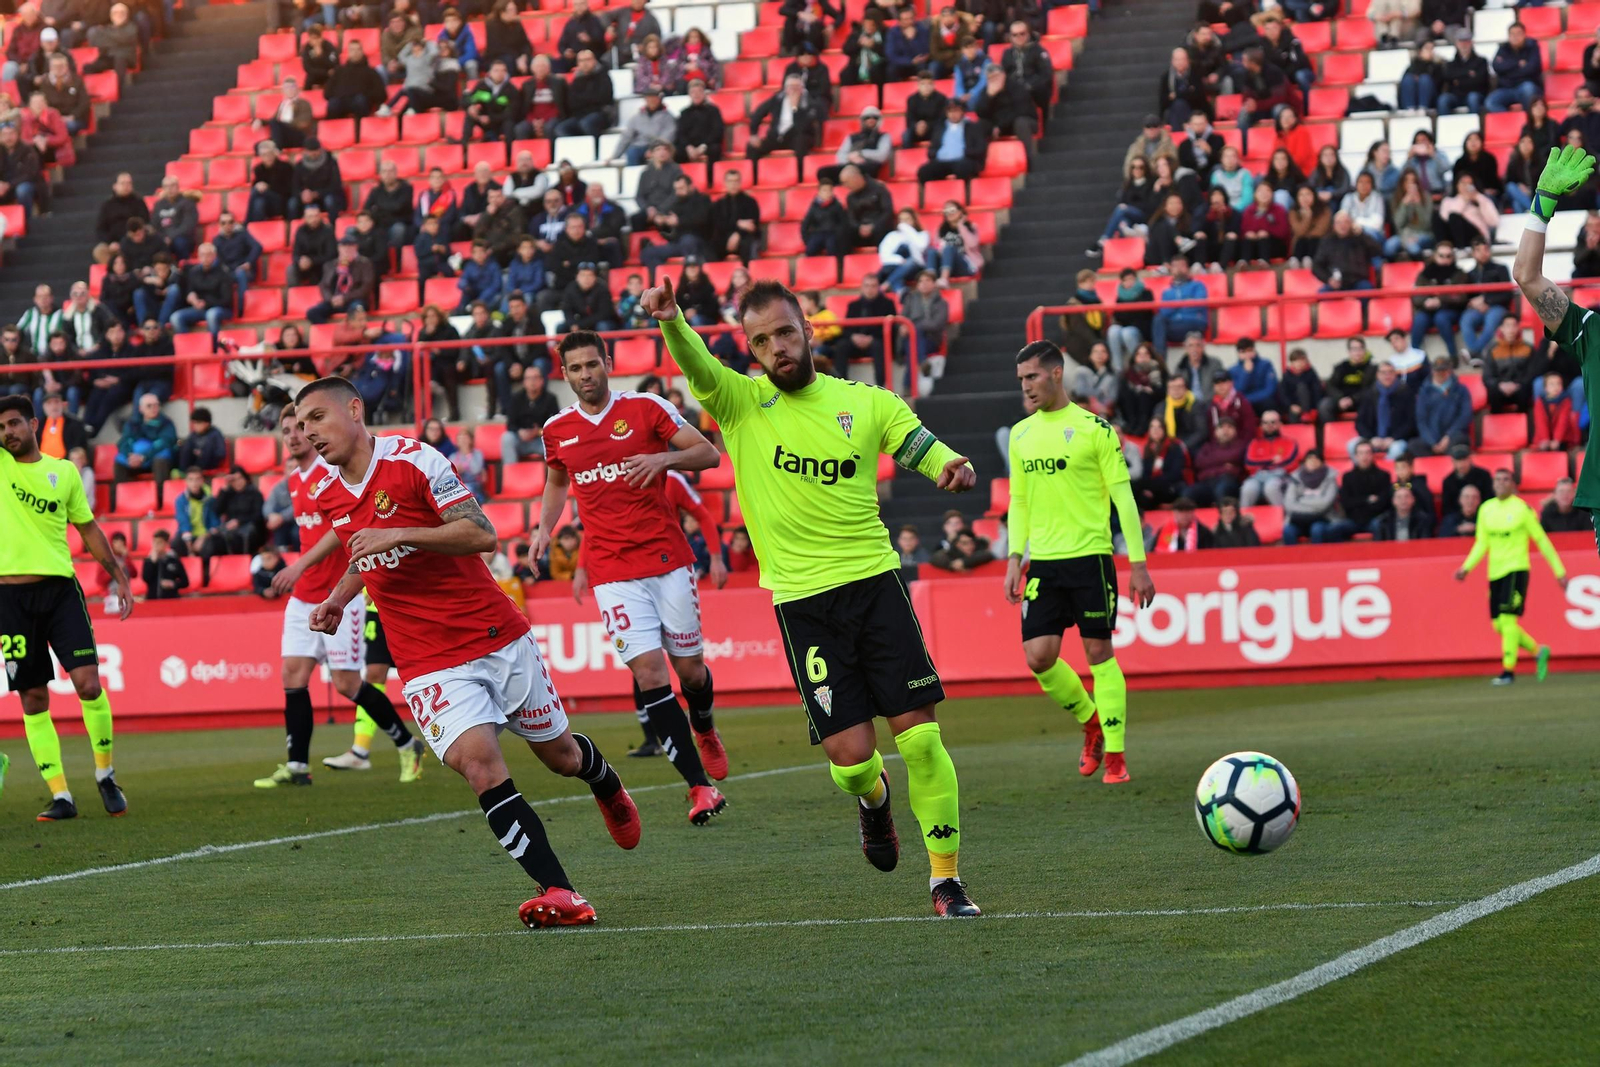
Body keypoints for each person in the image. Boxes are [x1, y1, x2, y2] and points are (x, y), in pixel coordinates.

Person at [647, 274, 983, 916]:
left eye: (783, 331)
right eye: (761, 340)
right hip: (804, 606)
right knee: (852, 758)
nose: (776, 346)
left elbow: (920, 447)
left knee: (921, 741)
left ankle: (946, 880)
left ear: (806, 329)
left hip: (876, 586)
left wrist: (950, 464)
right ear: (750, 350)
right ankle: (873, 801)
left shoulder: (868, 402)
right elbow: (697, 362)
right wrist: (671, 323)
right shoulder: (740, 403)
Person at [294, 375, 637, 928]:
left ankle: (605, 781)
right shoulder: (327, 493)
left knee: (560, 757)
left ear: (354, 410)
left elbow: (481, 535)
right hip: (427, 659)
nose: (309, 432)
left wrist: (400, 533)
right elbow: (364, 550)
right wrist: (338, 597)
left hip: (493, 636)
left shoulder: (415, 461)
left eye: (316, 417)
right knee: (480, 766)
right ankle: (561, 891)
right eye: (301, 423)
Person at [535, 333, 732, 818]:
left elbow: (709, 454)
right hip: (612, 572)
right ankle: (697, 787)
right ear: (565, 374)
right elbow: (557, 481)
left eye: (592, 365)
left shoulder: (647, 408)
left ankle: (703, 725)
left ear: (608, 362)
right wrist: (544, 530)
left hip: (667, 561)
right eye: (575, 368)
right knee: (648, 673)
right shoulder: (557, 429)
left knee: (690, 671)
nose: (585, 375)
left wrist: (663, 457)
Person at [1003, 338, 1151, 783]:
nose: (1026, 387)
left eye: (1031, 377)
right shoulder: (1020, 434)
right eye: (1021, 380)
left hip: (1091, 558)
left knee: (1099, 653)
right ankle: (1091, 723)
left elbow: (1123, 496)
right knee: (1039, 657)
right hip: (1044, 564)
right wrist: (1015, 556)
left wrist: (1138, 563)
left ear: (1055, 373)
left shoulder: (1096, 430)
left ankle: (1117, 757)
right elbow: (1019, 501)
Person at [256, 405, 427, 785]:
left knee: (347, 683)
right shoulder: (295, 481)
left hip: (337, 594)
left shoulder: (330, 474)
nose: (294, 435)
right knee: (293, 675)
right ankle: (298, 766)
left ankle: (405, 743)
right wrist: (299, 571)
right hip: (303, 596)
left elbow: (342, 529)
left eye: (302, 427)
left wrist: (299, 564)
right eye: (288, 429)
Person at [0, 395, 132, 820]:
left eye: (15, 424)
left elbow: (88, 526)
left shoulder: (63, 472)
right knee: (33, 697)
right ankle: (61, 795)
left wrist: (117, 574)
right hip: (9, 599)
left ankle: (105, 774)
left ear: (34, 424)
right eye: (1, 427)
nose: (8, 433)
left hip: (59, 590)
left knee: (88, 685)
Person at [1455, 468, 1565, 685]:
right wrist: (1466, 567)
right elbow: (1481, 543)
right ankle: (1538, 650)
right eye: (1498, 479)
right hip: (1495, 572)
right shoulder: (1486, 509)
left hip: (1516, 569)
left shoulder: (1522, 509)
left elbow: (1541, 540)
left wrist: (1559, 571)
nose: (1501, 483)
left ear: (1513, 484)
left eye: (1506, 479)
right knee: (1498, 625)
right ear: (1493, 484)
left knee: (1508, 620)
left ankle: (1508, 670)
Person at [1411, 355, 1473, 457]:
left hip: (1454, 436)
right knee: (1413, 445)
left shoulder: (1461, 390)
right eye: (1437, 370)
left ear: (1449, 371)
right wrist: (1432, 442)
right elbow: (1421, 420)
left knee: (1459, 442)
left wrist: (1448, 436)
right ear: (1432, 371)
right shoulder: (1424, 392)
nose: (1440, 373)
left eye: (1444, 370)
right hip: (1431, 438)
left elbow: (1465, 416)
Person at [1354, 360, 1416, 461]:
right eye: (1383, 372)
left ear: (1395, 374)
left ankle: (1386, 476)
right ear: (1377, 375)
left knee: (1396, 450)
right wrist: (1371, 438)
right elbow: (1360, 422)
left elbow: (1411, 423)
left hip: (1396, 439)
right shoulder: (1369, 394)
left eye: (1390, 372)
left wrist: (1393, 438)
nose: (1387, 376)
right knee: (1352, 446)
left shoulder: (1405, 393)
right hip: (1373, 439)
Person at [1281, 450, 1346, 545]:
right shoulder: (1295, 479)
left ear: (1322, 462)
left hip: (1323, 518)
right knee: (1288, 531)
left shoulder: (1330, 479)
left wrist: (1300, 501)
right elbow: (1289, 504)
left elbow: (1325, 504)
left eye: (1316, 459)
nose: (1313, 462)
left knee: (1317, 529)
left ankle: (1319, 558)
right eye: (1309, 459)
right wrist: (1314, 505)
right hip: (1298, 519)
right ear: (1304, 462)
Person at [501, 363, 559, 462]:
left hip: (540, 441)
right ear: (524, 382)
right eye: (529, 378)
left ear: (542, 380)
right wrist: (520, 432)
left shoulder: (550, 399)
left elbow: (556, 425)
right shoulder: (516, 398)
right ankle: (510, 475)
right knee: (507, 438)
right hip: (521, 441)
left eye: (535, 378)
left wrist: (538, 432)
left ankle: (555, 476)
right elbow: (510, 425)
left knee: (557, 445)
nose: (532, 382)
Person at [1150, 254, 1207, 353]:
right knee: (1158, 320)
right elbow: (1164, 312)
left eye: (1182, 265)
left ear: (1188, 268)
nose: (1179, 269)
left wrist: (1174, 305)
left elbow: (1198, 304)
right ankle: (1160, 363)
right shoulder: (1167, 292)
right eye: (1175, 266)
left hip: (1194, 323)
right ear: (1171, 269)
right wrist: (1185, 302)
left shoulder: (1198, 285)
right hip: (1174, 326)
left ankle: (1159, 362)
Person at [1240, 409, 1298, 507]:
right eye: (1265, 422)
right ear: (1261, 425)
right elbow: (1249, 463)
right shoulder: (1255, 443)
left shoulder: (1290, 442)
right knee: (1248, 488)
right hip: (1258, 477)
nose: (1269, 425)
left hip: (1281, 477)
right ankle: (1243, 520)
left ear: (1280, 424)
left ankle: (1284, 518)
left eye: (1273, 422)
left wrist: (1261, 463)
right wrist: (1271, 459)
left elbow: (1290, 463)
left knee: (1271, 487)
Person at [1487, 21, 1542, 115]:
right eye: (1512, 34)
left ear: (1524, 35)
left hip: (1525, 85)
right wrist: (1517, 64)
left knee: (1528, 89)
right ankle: (1511, 123)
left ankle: (1528, 122)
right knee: (1491, 102)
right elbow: (1496, 66)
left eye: (1518, 34)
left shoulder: (1532, 47)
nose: (1515, 37)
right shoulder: (1503, 48)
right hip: (1506, 88)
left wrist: (1508, 70)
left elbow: (1532, 68)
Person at [1482, 317, 1534, 414]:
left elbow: (1531, 373)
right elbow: (1487, 376)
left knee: (1525, 391)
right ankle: (1496, 426)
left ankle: (1522, 427)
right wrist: (1500, 384)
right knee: (1493, 392)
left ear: (1518, 328)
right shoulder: (1492, 349)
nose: (1511, 329)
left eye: (1514, 326)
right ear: (1501, 328)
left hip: (1520, 387)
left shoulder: (1528, 348)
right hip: (1500, 387)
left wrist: (1517, 384)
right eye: (1507, 326)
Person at [1533, 374, 1580, 452]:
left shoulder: (1566, 401)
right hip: (1543, 438)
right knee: (1542, 449)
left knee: (1560, 448)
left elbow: (1562, 422)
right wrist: (1545, 439)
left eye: (1559, 383)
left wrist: (1557, 440)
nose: (1556, 387)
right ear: (1545, 388)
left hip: (1562, 438)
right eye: (1552, 384)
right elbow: (1540, 421)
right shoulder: (1539, 402)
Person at [141, 528, 188, 598]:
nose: (156, 545)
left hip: (171, 599)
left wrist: (173, 584)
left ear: (166, 544)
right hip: (153, 599)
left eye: (159, 542)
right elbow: (146, 578)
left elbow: (185, 582)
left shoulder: (173, 560)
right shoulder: (148, 560)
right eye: (154, 542)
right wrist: (152, 562)